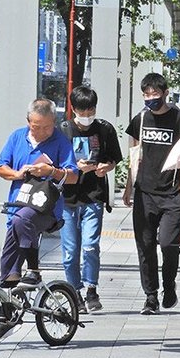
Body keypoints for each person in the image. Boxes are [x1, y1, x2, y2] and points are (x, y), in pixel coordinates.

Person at [0, 98, 79, 344]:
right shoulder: (18, 137)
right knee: (8, 267)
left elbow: (73, 177)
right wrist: (18, 173)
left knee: (23, 219)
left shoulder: (60, 141)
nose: (41, 131)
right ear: (28, 122)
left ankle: (35, 271)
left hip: (45, 209)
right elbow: (0, 167)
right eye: (36, 126)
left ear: (54, 122)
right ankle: (7, 315)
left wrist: (51, 171)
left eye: (47, 127)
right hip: (17, 208)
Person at [123, 73, 180, 315]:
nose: (150, 98)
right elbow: (134, 153)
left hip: (172, 193)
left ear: (165, 93)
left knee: (168, 244)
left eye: (154, 94)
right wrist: (129, 186)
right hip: (145, 192)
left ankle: (169, 285)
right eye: (146, 94)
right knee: (145, 245)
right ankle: (151, 296)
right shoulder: (140, 119)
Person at [60, 85, 123, 313]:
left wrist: (107, 167)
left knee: (89, 246)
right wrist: (74, 168)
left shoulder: (104, 129)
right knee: (69, 251)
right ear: (73, 108)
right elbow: (55, 165)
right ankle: (74, 291)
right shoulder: (63, 130)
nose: (87, 116)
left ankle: (91, 289)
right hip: (67, 199)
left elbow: (114, 158)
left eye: (91, 110)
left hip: (93, 196)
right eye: (82, 111)